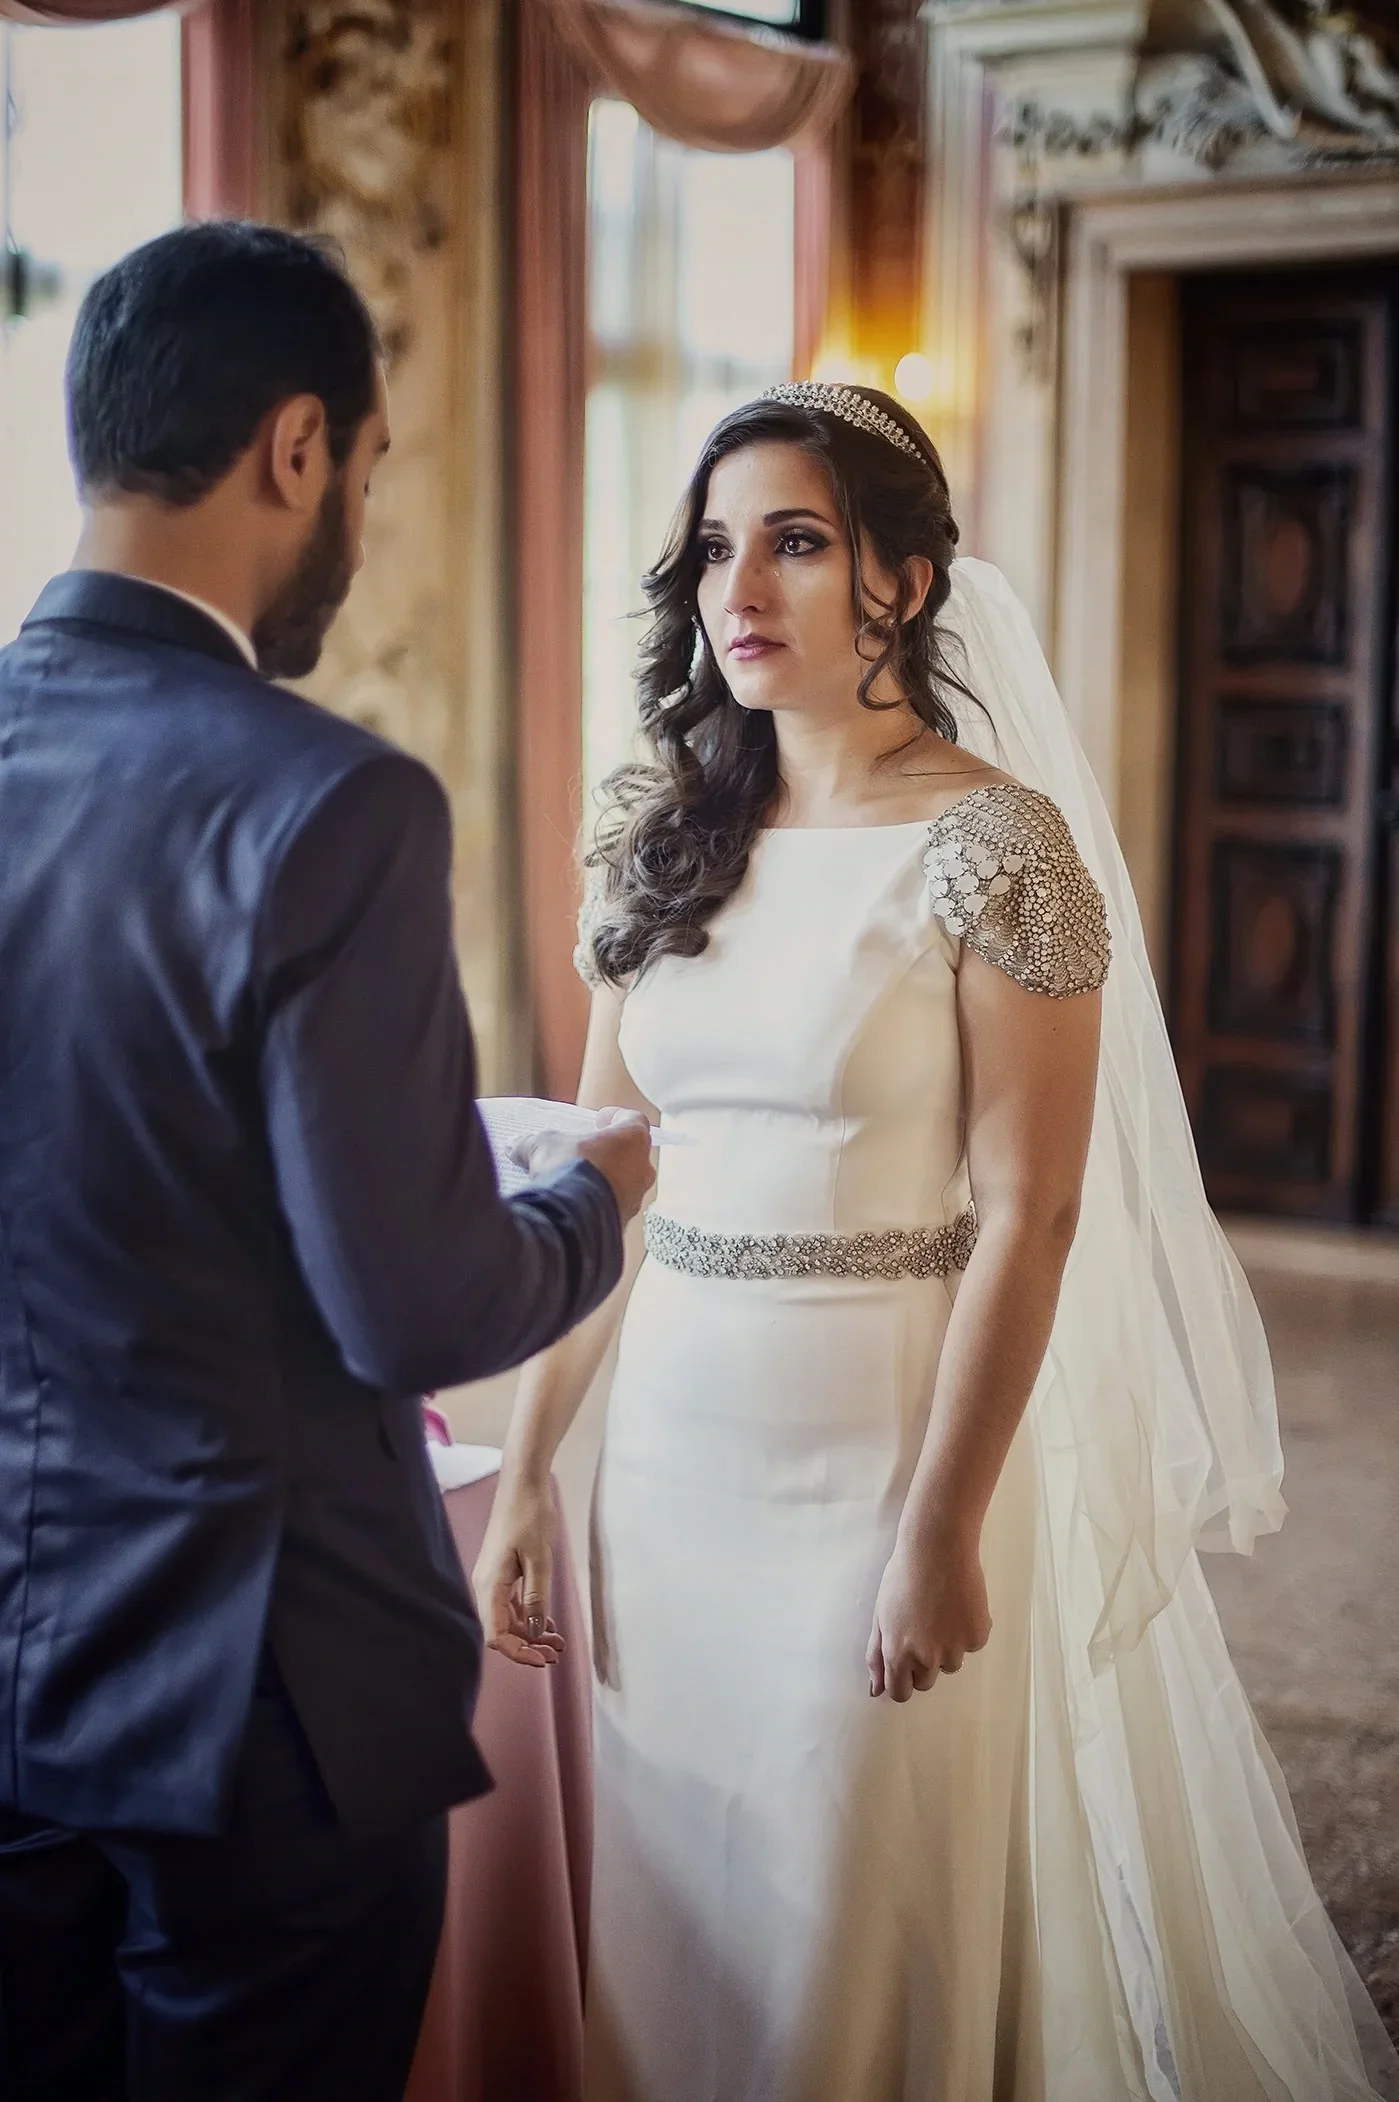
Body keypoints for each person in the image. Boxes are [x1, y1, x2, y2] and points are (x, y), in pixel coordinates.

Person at [475, 383, 1399, 2100]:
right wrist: (534, 1468)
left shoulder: (997, 843)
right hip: (666, 1462)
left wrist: (941, 1525)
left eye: (796, 542)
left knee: (849, 1916)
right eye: (711, 550)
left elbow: (1034, 1217)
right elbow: (609, 1170)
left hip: (879, 1457)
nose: (736, 588)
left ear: (901, 581)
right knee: (673, 1933)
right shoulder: (655, 827)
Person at [0, 221, 654, 2102]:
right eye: (366, 476)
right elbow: (418, 1301)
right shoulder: (325, 798)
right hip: (258, 1698)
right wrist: (592, 1196)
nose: (356, 528)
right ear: (299, 448)